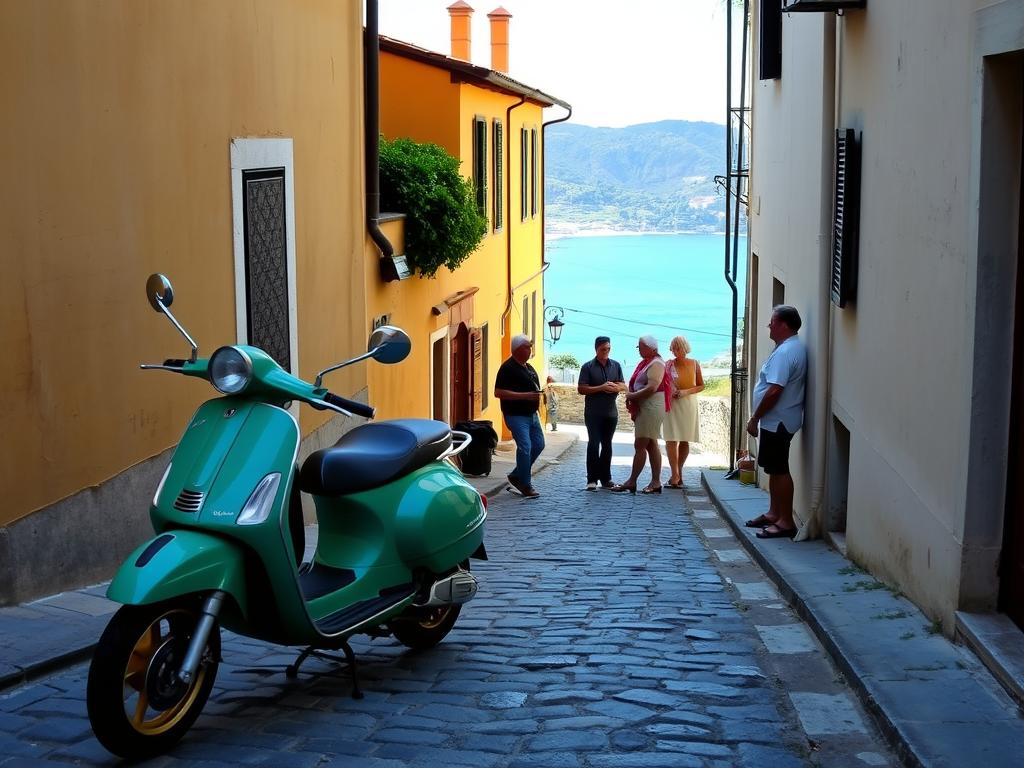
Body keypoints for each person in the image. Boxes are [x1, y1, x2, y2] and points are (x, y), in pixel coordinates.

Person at [745, 305, 808, 538]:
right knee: (773, 467)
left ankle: (785, 521)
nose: (769, 326)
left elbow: (774, 390)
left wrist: (755, 418)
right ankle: (774, 513)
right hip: (779, 419)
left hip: (778, 420)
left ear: (783, 325)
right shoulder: (789, 348)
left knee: (780, 469)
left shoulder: (785, 353)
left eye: (772, 322)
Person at [611, 334, 671, 494]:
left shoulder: (656, 364)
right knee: (651, 444)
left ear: (650, 348)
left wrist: (631, 396)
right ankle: (655, 482)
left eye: (641, 347)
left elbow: (652, 387)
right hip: (648, 406)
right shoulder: (649, 362)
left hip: (651, 407)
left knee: (640, 444)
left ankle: (632, 481)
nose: (639, 350)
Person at [494, 334, 544, 498]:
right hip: (516, 415)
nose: (530, 350)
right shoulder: (507, 368)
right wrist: (525, 396)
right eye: (527, 347)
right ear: (518, 349)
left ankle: (516, 475)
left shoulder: (529, 367)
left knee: (539, 445)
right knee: (525, 447)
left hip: (532, 415)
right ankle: (525, 484)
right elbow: (498, 392)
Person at [577, 336, 626, 491]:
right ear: (596, 349)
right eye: (603, 349)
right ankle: (591, 479)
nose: (606, 351)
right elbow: (581, 388)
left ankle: (606, 478)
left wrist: (616, 387)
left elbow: (623, 385)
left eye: (608, 349)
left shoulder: (616, 365)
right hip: (593, 412)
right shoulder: (587, 367)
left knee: (607, 445)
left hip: (611, 413)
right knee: (593, 443)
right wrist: (601, 387)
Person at [664, 335, 704, 489]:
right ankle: (675, 475)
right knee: (671, 438)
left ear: (685, 348)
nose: (675, 351)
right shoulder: (668, 364)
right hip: (672, 403)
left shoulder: (694, 363)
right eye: (673, 348)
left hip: (688, 404)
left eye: (678, 348)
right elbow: (664, 383)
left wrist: (685, 392)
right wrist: (672, 389)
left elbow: (701, 386)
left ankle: (678, 473)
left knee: (685, 439)